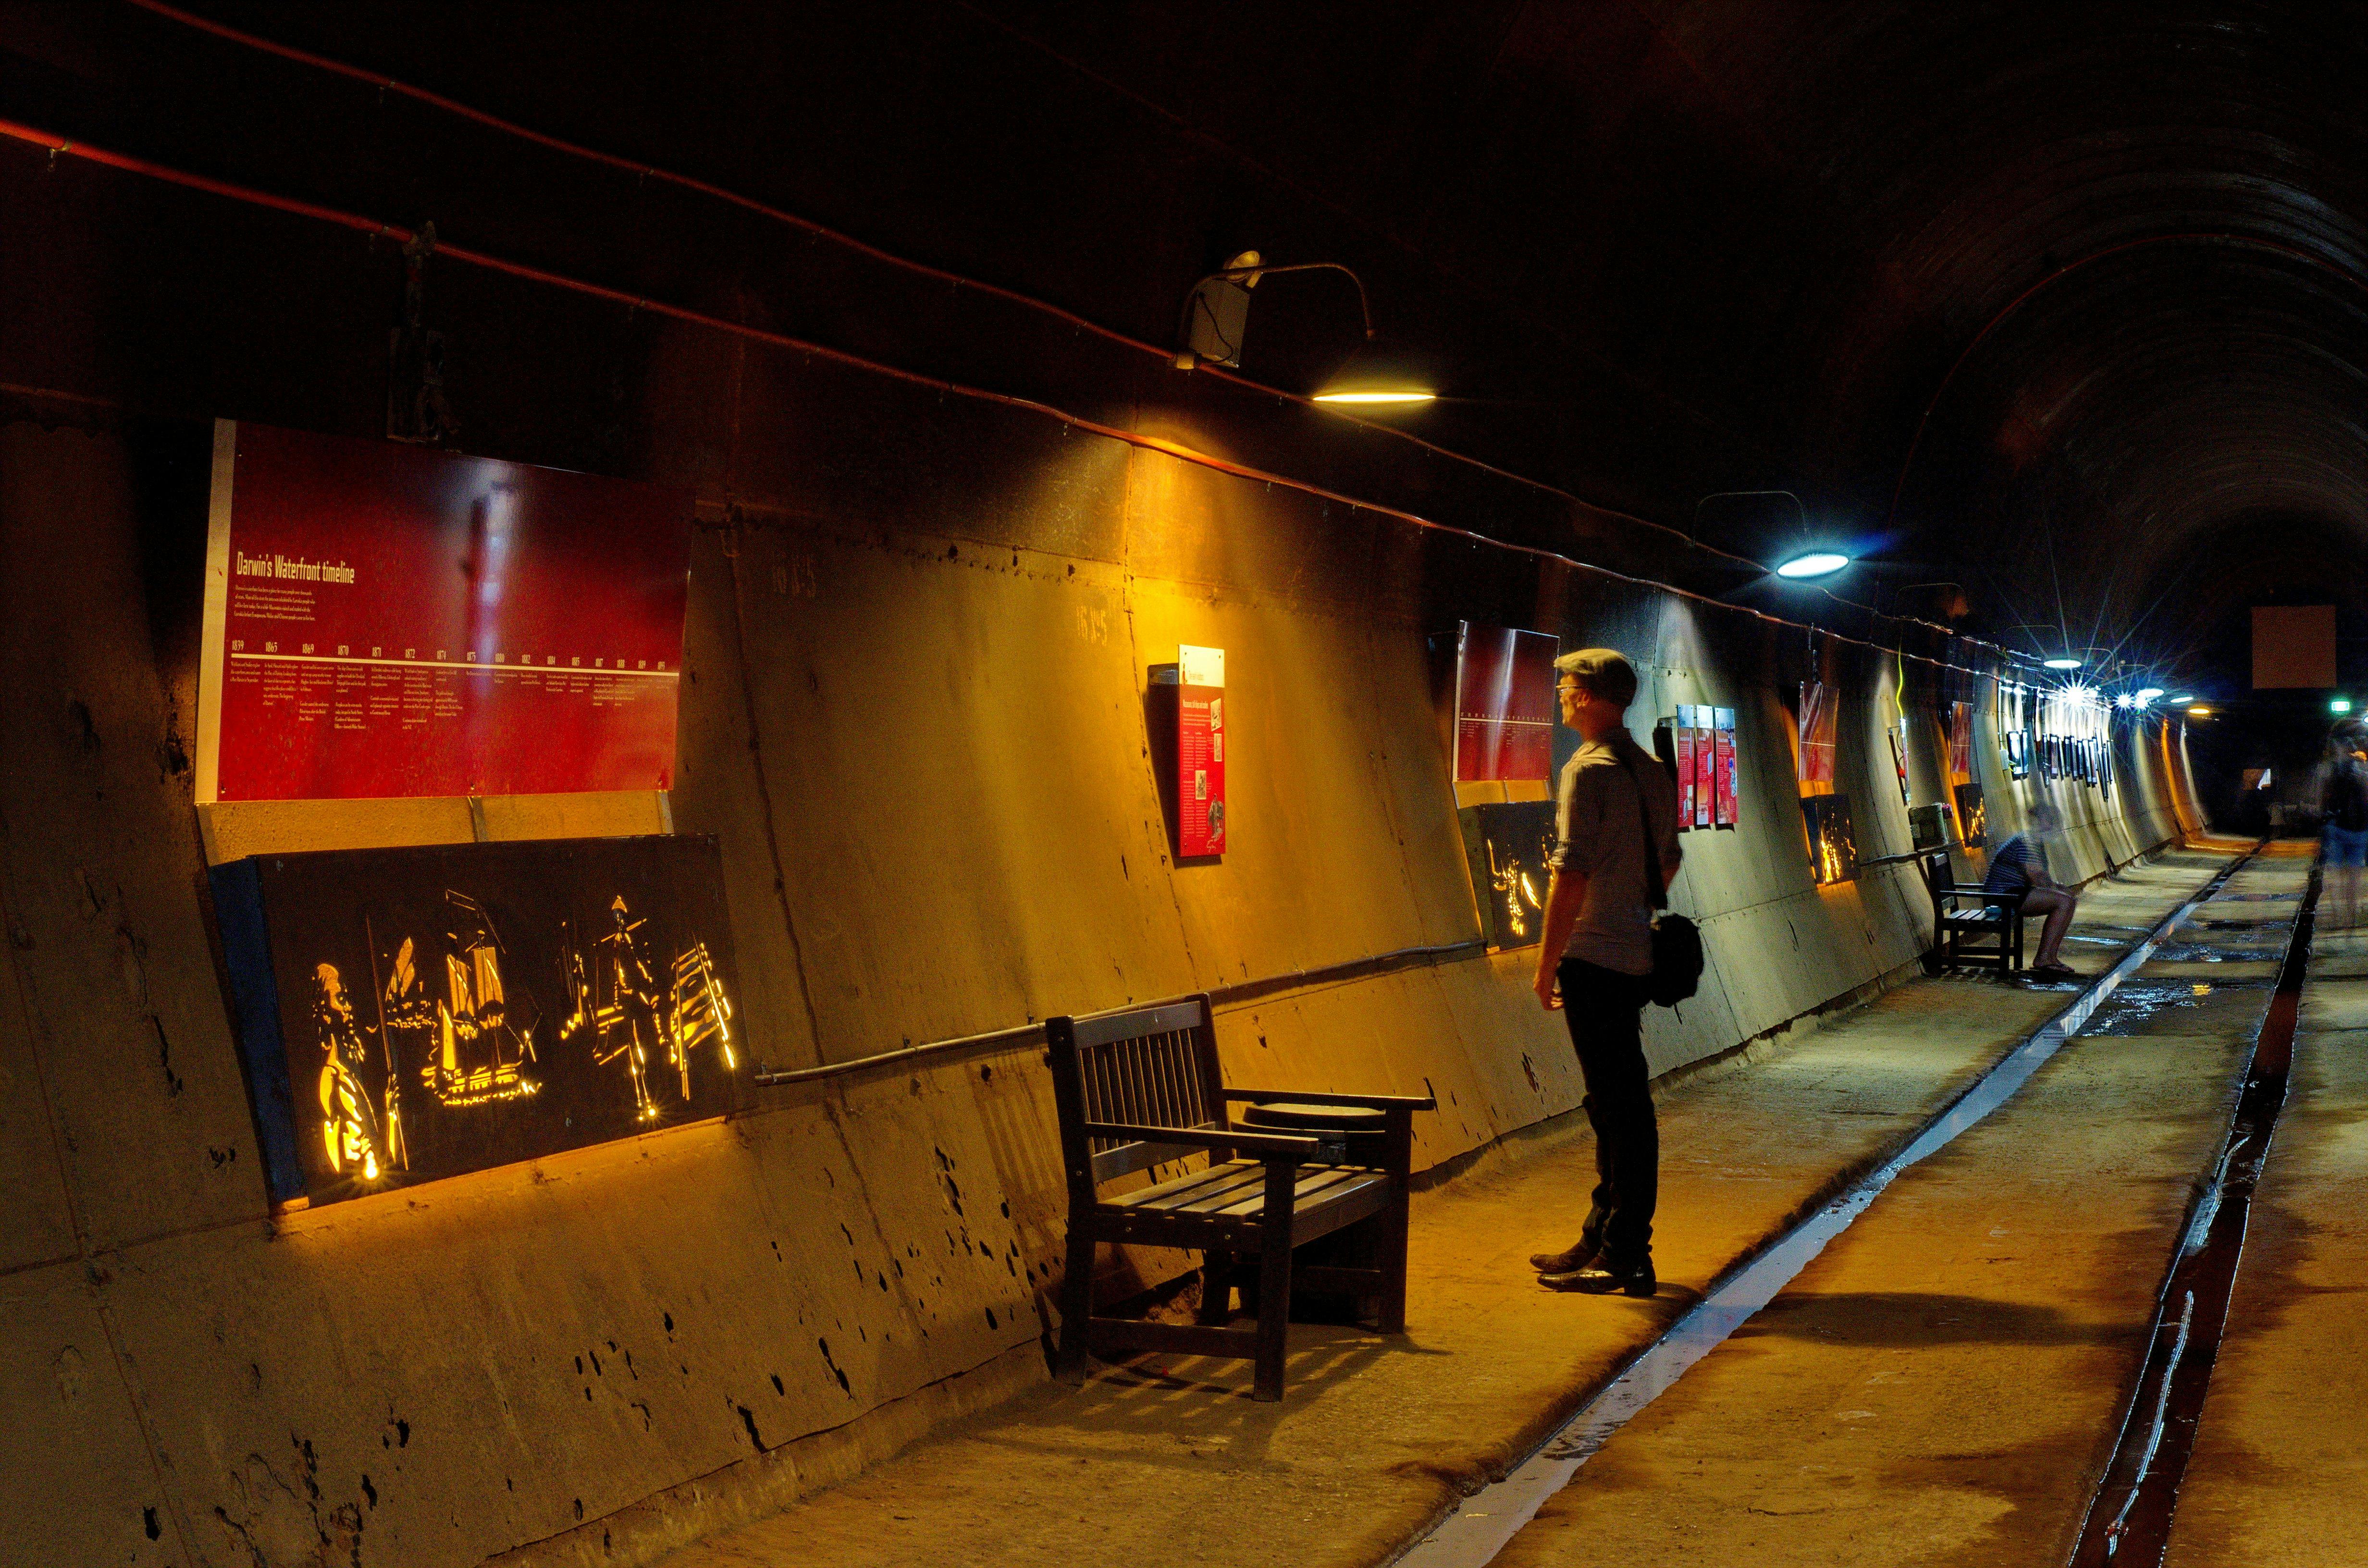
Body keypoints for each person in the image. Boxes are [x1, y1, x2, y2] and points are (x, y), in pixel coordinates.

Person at [1527, 649, 1682, 1298]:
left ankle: (1626, 1254)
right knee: (1614, 1102)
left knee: (1621, 1107)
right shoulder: (1649, 770)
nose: (1561, 692)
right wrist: (1630, 907)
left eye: (1568, 685)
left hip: (1592, 957)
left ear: (1593, 696)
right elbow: (1669, 862)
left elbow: (1570, 876)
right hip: (1634, 954)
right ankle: (1602, 1234)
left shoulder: (1586, 772)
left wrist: (1546, 966)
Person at [1986, 801, 2078, 981]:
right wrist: (2058, 891)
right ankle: (2044, 958)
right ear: (2040, 822)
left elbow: (2041, 877)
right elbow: (2035, 876)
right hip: (2003, 897)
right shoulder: (2026, 842)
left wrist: (2058, 889)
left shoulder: (2033, 842)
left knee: (2067, 901)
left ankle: (2050, 957)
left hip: (2012, 893)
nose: (2052, 827)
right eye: (2049, 821)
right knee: (2065, 903)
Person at [2318, 721, 2368, 928]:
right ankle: (2352, 914)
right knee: (2355, 872)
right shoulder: (2361, 768)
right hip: (2360, 827)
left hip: (2336, 824)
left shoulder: (2329, 767)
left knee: (2334, 871)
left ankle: (2338, 915)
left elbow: (2320, 795)